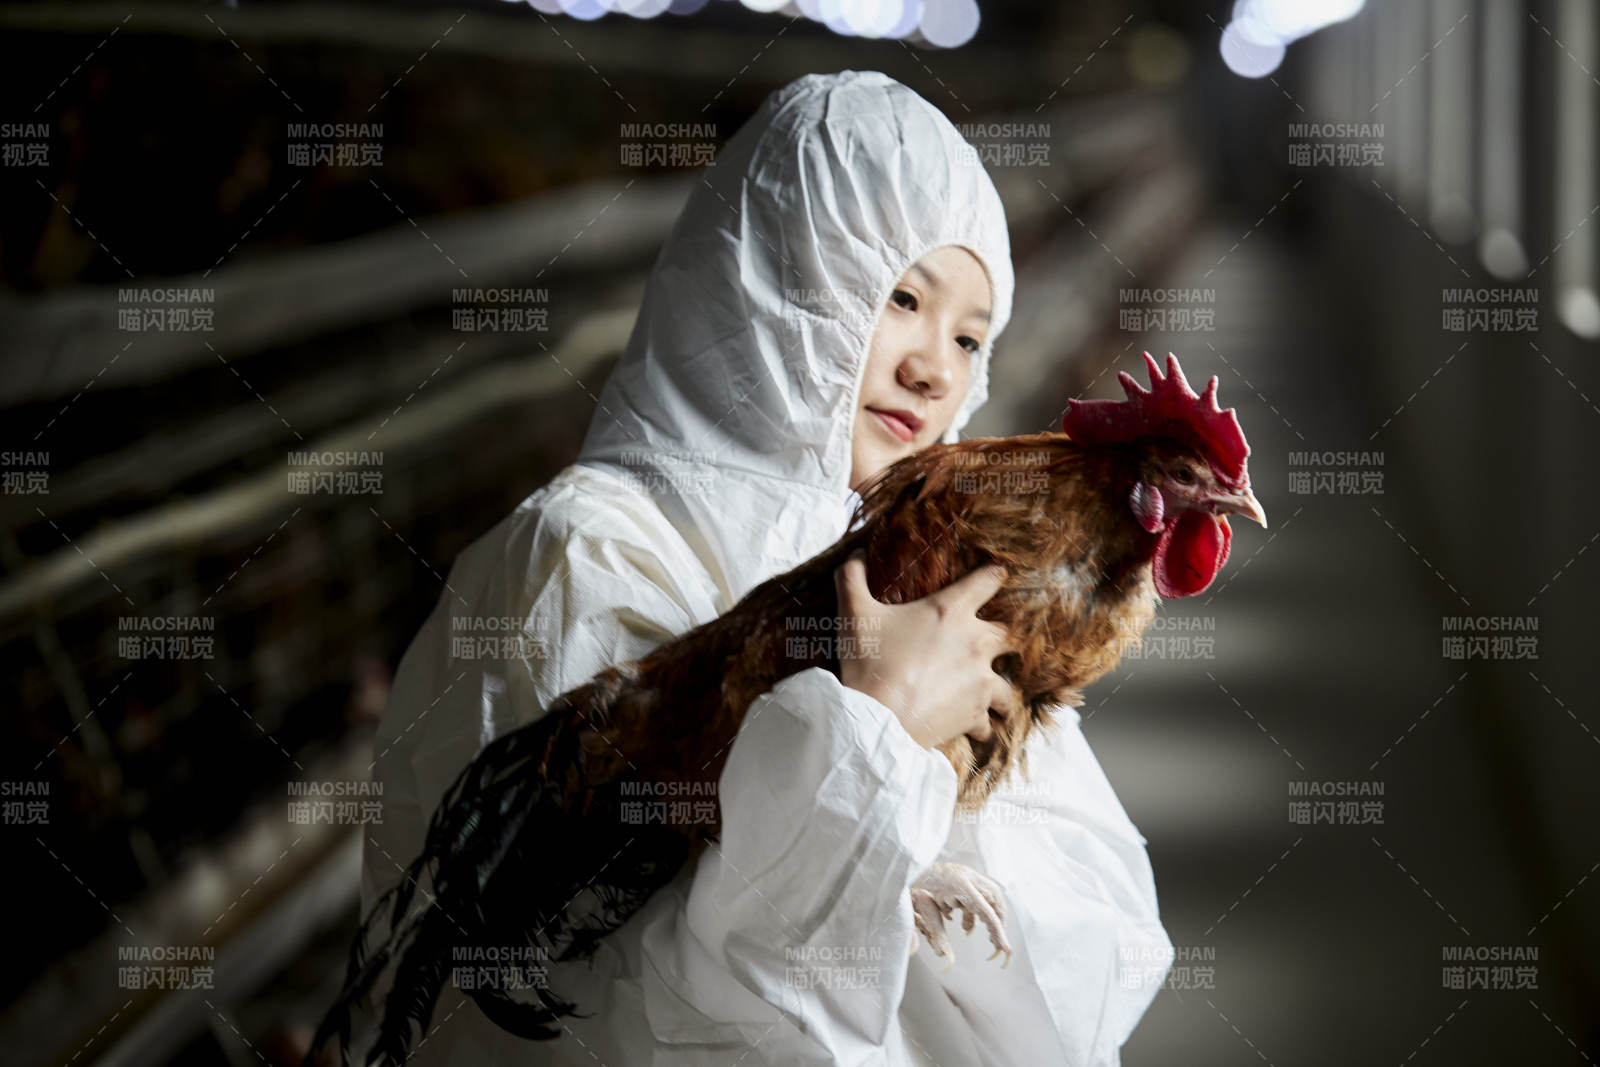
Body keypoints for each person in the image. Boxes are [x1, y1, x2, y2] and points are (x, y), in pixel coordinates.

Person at [357, 69, 1173, 1066]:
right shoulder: (581, 558)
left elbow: (1094, 937)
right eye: (900, 298)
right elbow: (612, 1011)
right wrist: (875, 736)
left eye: (969, 335)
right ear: (777, 278)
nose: (935, 366)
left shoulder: (907, 561)